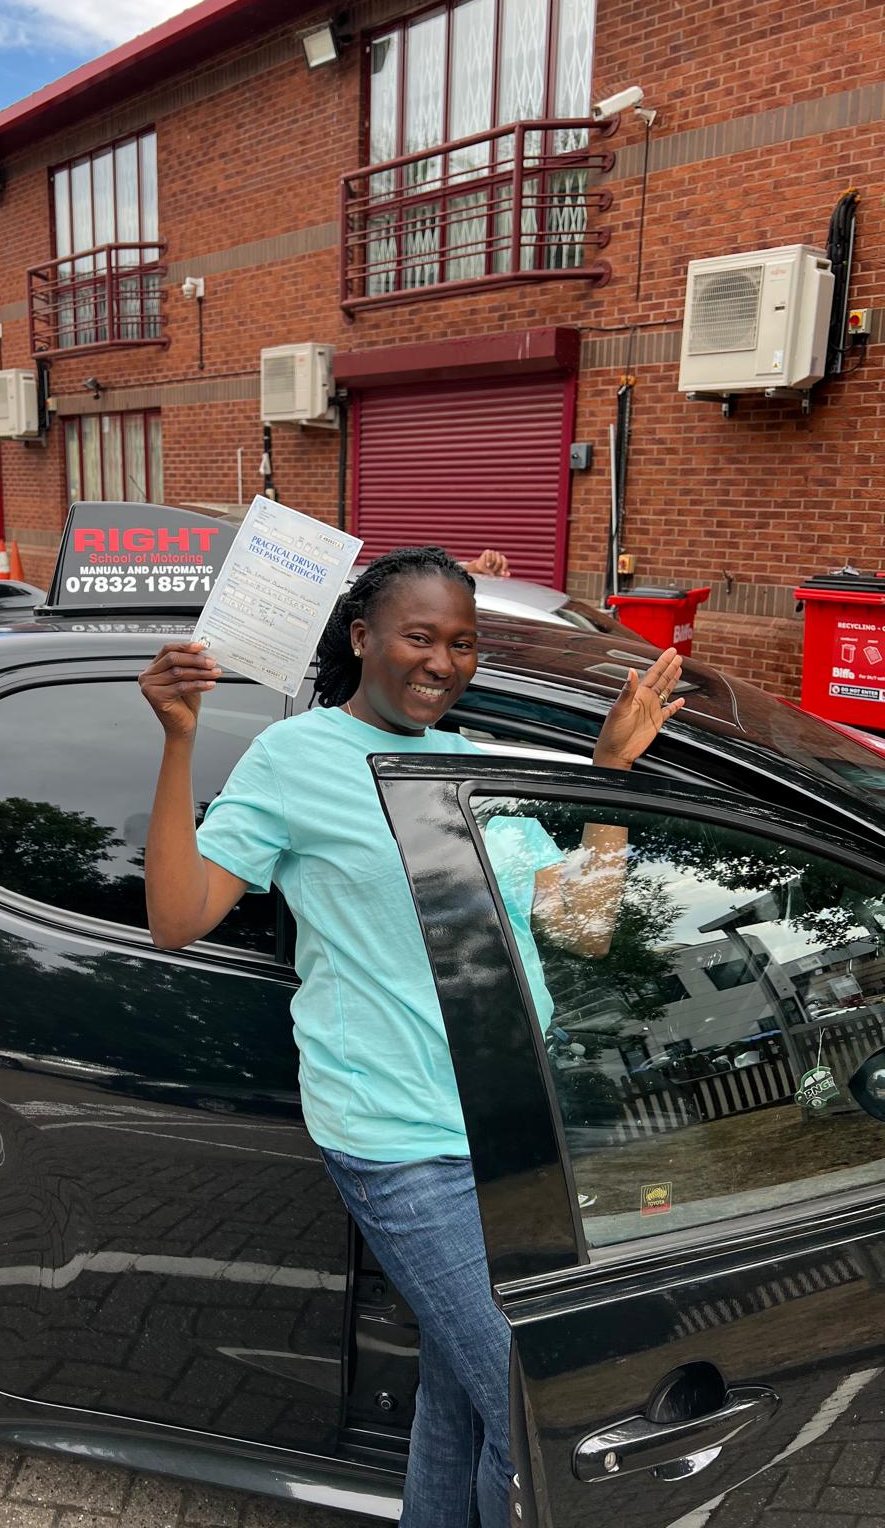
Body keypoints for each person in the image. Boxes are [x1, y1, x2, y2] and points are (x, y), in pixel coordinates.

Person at [138, 545, 683, 1528]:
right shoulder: (296, 757)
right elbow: (178, 915)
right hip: (400, 1138)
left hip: (509, 1127)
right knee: (532, 1409)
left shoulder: (467, 767)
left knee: (462, 1395)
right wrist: (179, 742)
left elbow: (580, 926)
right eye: (420, 636)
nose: (443, 661)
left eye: (462, 643)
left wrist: (609, 778)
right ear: (362, 639)